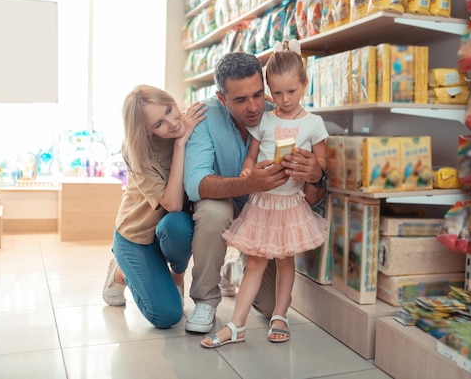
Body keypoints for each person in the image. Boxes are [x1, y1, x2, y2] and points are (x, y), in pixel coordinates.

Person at [183, 51, 327, 335]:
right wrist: (248, 182)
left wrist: (315, 174)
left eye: (258, 95)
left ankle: (234, 269)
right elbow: (194, 184)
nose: (253, 107)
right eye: (240, 99)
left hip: (274, 212)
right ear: (222, 98)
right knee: (215, 210)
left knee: (269, 302)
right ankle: (206, 300)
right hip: (235, 206)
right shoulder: (205, 116)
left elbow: (313, 194)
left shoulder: (282, 112)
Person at [102, 84, 206, 329]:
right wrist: (180, 145)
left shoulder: (192, 120)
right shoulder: (135, 149)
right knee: (167, 317)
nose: (172, 123)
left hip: (168, 230)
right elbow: (172, 203)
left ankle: (176, 279)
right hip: (135, 236)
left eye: (170, 109)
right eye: (159, 123)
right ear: (146, 131)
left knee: (179, 224)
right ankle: (121, 272)